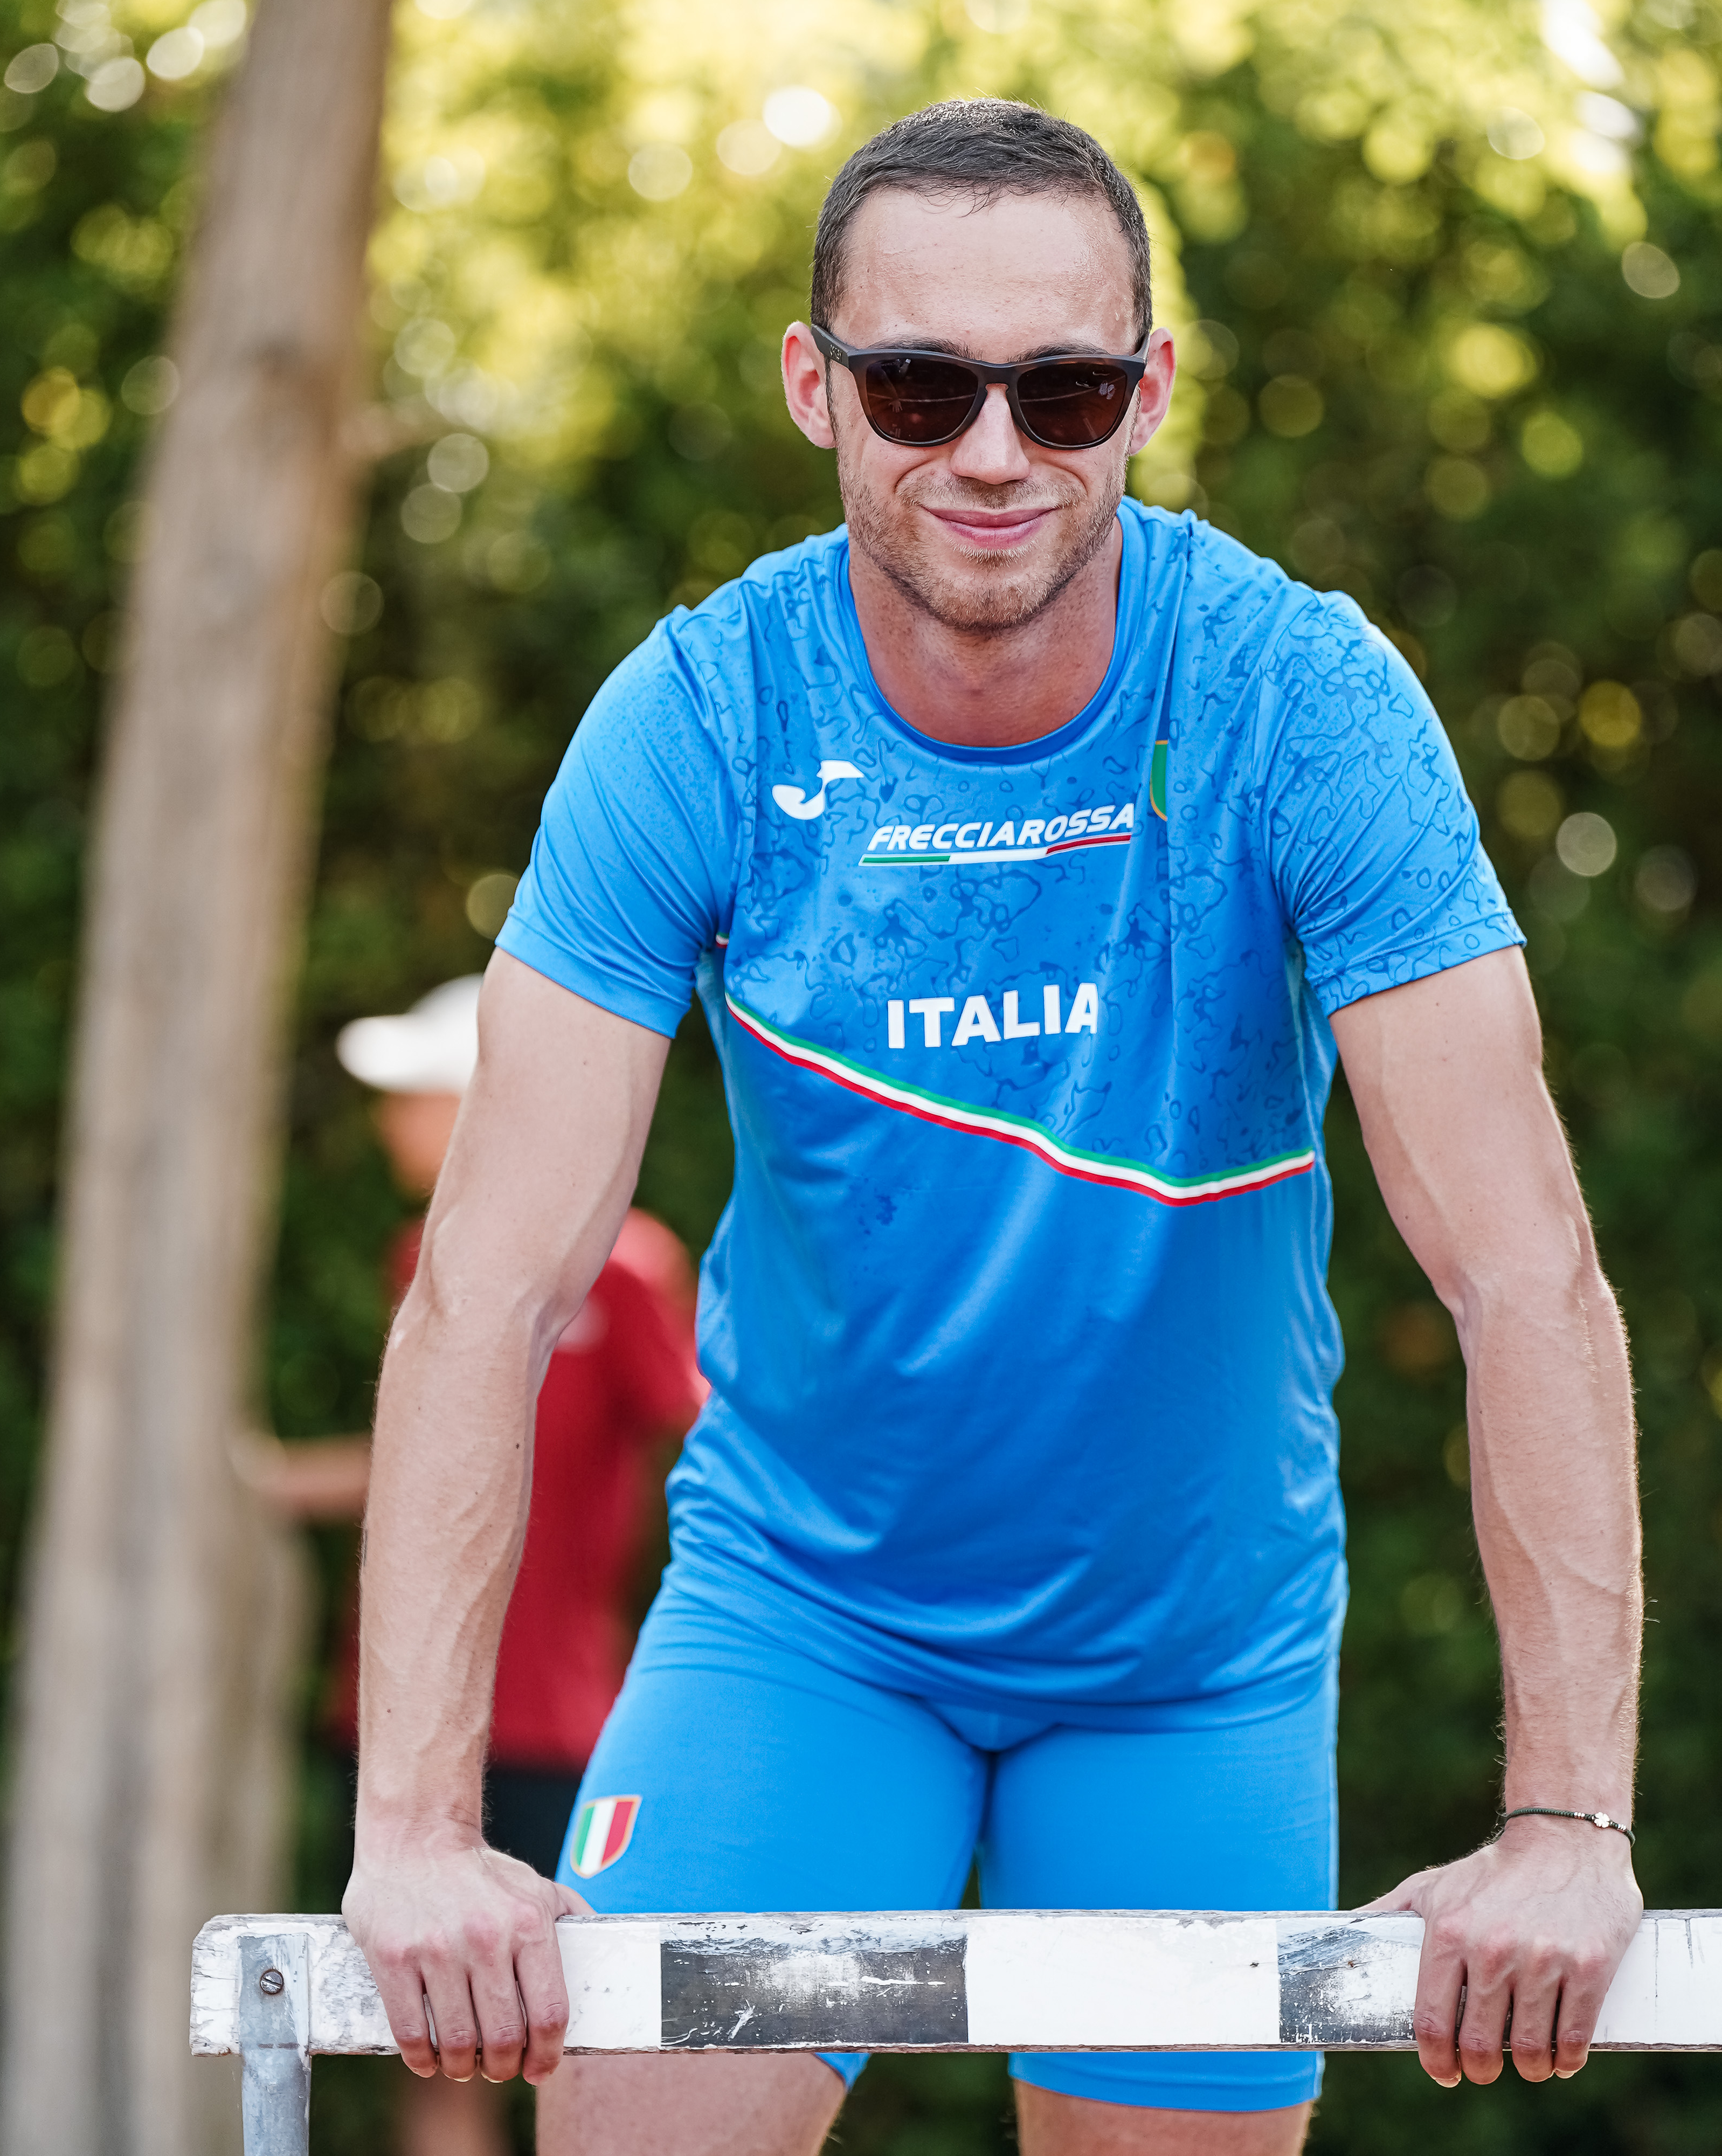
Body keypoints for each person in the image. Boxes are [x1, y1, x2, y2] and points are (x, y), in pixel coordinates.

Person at [342, 101, 1644, 2156]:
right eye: (922, 386)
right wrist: (415, 1830)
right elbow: (486, 1294)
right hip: (804, 1626)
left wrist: (1569, 1824)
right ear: (815, 387)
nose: (994, 450)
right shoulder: (702, 716)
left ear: (1151, 391)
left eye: (1065, 390)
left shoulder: (1299, 702)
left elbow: (1525, 1275)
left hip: (1191, 1660)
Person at [257, 977, 702, 2156]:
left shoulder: (626, 1268)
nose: (389, 1118)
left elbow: (705, 1437)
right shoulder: (420, 1254)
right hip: (407, 1733)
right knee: (435, 2049)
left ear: (481, 1098)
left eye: (415, 1091)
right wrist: (271, 1481)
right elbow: (426, 1459)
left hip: (562, 1715)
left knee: (580, 2040)